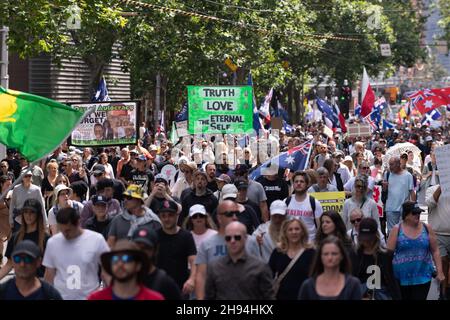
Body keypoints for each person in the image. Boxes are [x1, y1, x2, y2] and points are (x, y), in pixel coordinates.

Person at [43, 207, 110, 300]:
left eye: (68, 230)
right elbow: (49, 274)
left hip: (89, 297)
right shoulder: (53, 243)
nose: (65, 234)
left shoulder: (97, 240)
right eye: (61, 230)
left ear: (78, 223)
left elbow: (107, 269)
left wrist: (108, 293)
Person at [387, 201, 445, 300]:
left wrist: (440, 271)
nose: (418, 215)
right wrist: (387, 277)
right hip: (401, 278)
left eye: (419, 212)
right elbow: (388, 255)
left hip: (423, 277)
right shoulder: (397, 229)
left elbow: (435, 251)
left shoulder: (427, 228)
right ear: (406, 214)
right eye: (414, 213)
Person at [205, 221, 275, 300]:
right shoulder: (214, 268)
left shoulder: (260, 268)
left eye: (237, 237)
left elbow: (269, 297)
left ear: (245, 238)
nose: (232, 241)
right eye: (228, 238)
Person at [88, 239, 164, 300]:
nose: (120, 264)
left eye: (126, 259)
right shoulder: (96, 298)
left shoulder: (154, 298)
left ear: (138, 265)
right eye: (115, 259)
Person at [195, 200, 238, 300]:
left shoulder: (250, 242)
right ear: (219, 218)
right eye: (229, 214)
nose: (234, 217)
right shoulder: (207, 244)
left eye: (236, 213)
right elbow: (201, 275)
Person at [298, 235, 362, 300]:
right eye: (326, 254)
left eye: (334, 254)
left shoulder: (352, 285)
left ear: (341, 256)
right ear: (320, 257)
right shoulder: (308, 286)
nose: (330, 258)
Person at [0, 199, 50, 280]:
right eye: (25, 212)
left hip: (41, 283)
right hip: (21, 283)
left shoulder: (46, 239)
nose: (28, 215)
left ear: (38, 215)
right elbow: (9, 265)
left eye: (32, 212)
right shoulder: (15, 238)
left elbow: (50, 268)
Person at [351, 218, 401, 300]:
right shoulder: (354, 255)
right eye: (364, 238)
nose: (366, 241)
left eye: (369, 238)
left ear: (375, 236)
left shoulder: (385, 255)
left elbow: (392, 281)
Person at [269, 219, 315, 300]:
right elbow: (268, 275)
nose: (294, 232)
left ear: (303, 232)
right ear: (285, 233)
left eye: (297, 229)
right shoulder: (278, 252)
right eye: (290, 229)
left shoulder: (311, 253)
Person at [131, 226, 182, 300]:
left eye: (145, 248)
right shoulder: (125, 278)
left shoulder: (165, 283)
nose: (140, 252)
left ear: (155, 250)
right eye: (137, 247)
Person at [426, 184, 450, 298]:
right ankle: (443, 293)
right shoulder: (431, 189)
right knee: (443, 262)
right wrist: (441, 188)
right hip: (439, 234)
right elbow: (430, 203)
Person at [285, 171, 323, 242]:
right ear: (293, 184)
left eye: (302, 181)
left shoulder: (314, 203)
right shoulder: (286, 202)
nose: (298, 183)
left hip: (310, 246)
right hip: (291, 245)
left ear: (307, 184)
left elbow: (320, 227)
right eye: (296, 181)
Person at [384, 156, 416, 234]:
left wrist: (414, 207)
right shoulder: (387, 173)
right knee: (392, 232)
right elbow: (384, 191)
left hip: (404, 209)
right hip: (390, 208)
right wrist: (384, 187)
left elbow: (412, 191)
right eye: (389, 165)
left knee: (404, 232)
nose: (390, 167)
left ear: (398, 164)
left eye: (392, 165)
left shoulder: (408, 175)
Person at [0, 175, 12, 265]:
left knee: (12, 243)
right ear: (1, 184)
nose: (9, 187)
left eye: (10, 184)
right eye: (7, 185)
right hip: (1, 223)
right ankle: (0, 262)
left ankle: (11, 262)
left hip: (11, 223)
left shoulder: (12, 194)